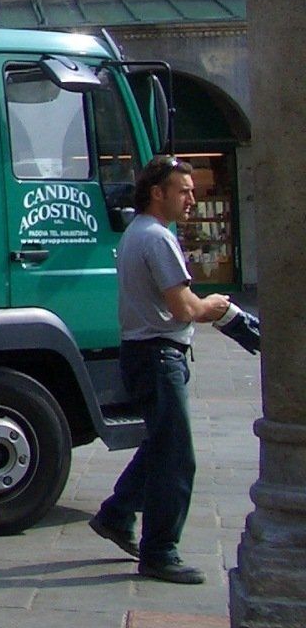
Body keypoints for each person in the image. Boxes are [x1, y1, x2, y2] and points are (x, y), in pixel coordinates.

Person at [89, 155, 233, 584]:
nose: (192, 197)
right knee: (176, 457)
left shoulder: (138, 233)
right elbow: (185, 308)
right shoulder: (157, 238)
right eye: (183, 190)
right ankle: (160, 550)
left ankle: (116, 515)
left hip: (143, 352)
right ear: (158, 193)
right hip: (159, 355)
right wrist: (216, 306)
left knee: (160, 445)